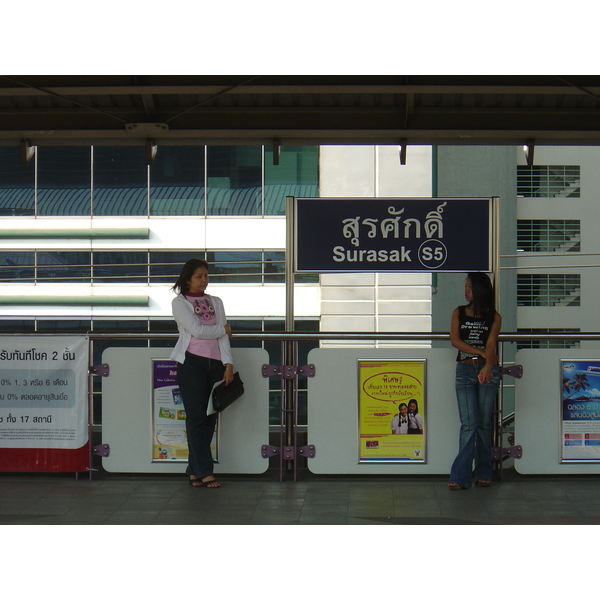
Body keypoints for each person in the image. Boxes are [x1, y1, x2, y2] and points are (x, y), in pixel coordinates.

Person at [170, 258, 233, 489]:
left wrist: (228, 364)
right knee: (197, 417)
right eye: (199, 276)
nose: (204, 280)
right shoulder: (180, 303)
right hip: (191, 363)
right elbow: (196, 331)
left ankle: (193, 469)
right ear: (187, 279)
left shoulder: (216, 301)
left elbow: (222, 338)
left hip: (215, 364)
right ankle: (205, 471)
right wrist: (222, 329)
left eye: (206, 275)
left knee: (209, 418)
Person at [448, 272, 502, 491]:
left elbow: (492, 343)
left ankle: (483, 472)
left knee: (483, 424)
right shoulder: (458, 312)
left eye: (470, 287)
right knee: (468, 423)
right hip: (464, 370)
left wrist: (488, 365)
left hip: (487, 371)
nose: (466, 291)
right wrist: (480, 352)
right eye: (465, 287)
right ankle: (460, 475)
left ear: (480, 289)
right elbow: (455, 341)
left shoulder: (494, 317)